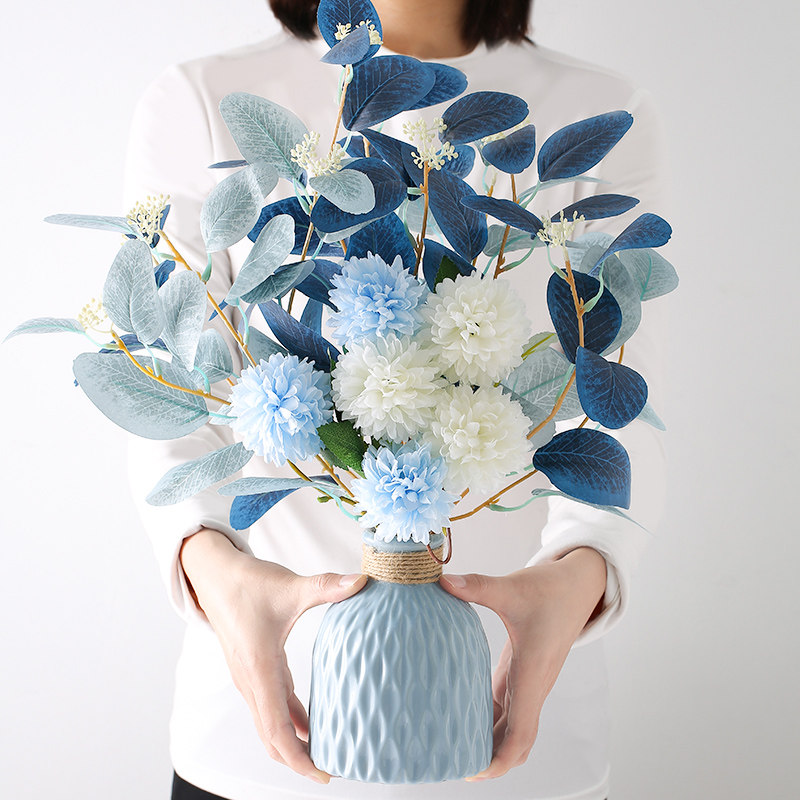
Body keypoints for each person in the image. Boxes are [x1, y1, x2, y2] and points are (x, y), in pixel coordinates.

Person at [124, 1, 670, 798]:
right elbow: (167, 389)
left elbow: (619, 395)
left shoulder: (602, 109)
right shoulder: (202, 100)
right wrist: (219, 575)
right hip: (254, 746)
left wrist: (577, 575)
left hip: (523, 741)